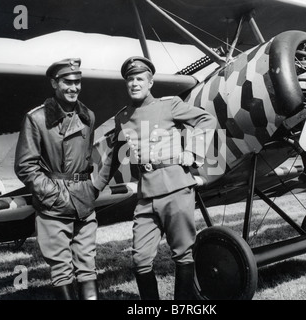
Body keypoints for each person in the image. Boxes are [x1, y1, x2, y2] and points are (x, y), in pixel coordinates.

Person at [93, 56, 217, 300]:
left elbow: (206, 119)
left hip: (176, 188)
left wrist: (193, 152)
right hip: (145, 195)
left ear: (150, 83)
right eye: (130, 79)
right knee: (140, 258)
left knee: (183, 253)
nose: (134, 83)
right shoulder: (123, 117)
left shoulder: (169, 105)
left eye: (140, 78)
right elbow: (114, 157)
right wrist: (95, 187)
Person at [14, 58, 99, 300]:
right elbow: (25, 166)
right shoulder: (37, 119)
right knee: (61, 270)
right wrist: (53, 194)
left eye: (78, 82)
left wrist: (90, 188)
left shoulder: (88, 116)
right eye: (68, 82)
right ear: (55, 83)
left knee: (88, 265)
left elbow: (87, 158)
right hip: (54, 203)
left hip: (84, 200)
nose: (74, 87)